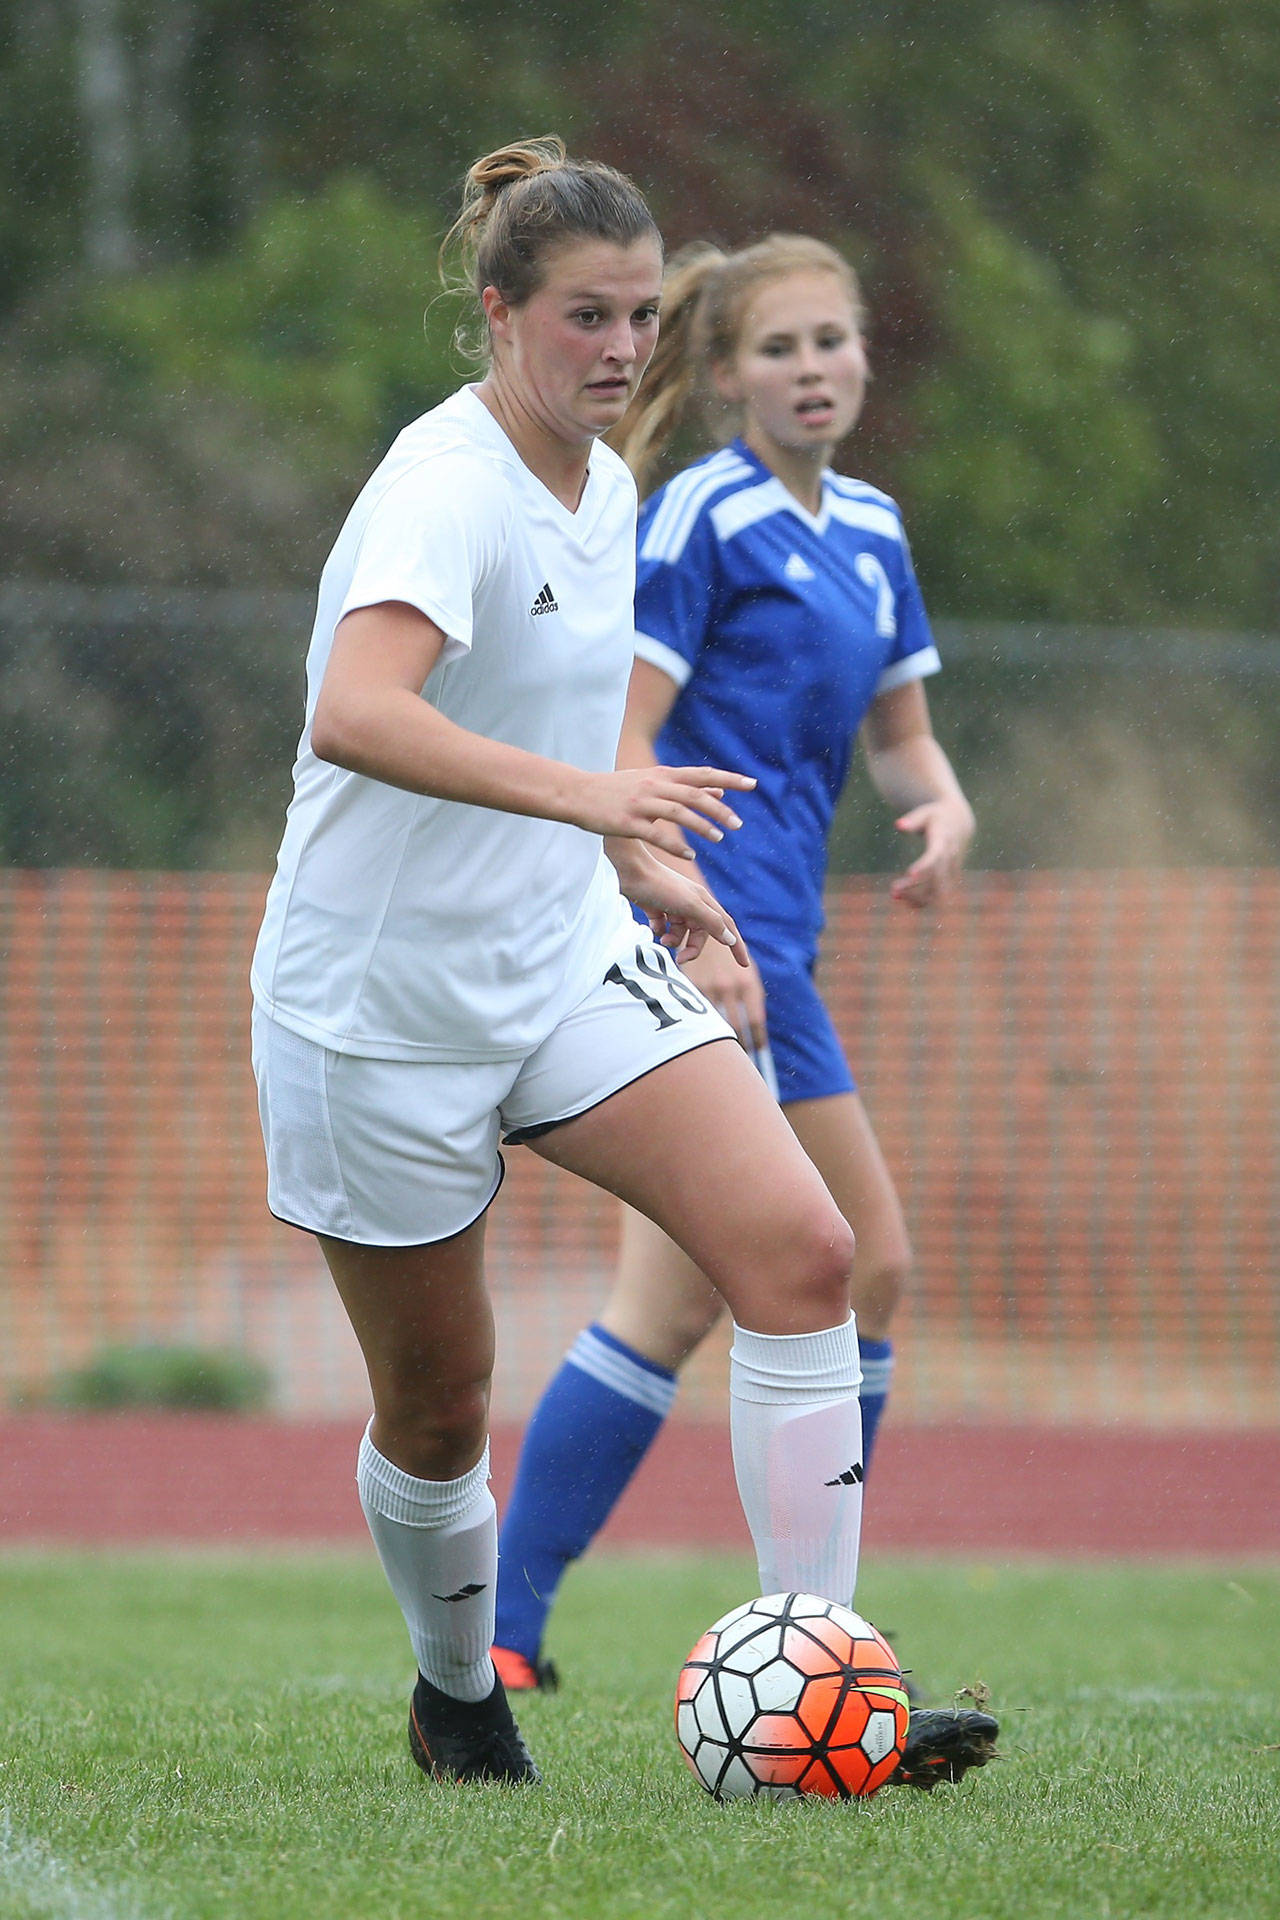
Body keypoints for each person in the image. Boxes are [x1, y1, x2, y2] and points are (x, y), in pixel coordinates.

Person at [251, 139, 993, 1791]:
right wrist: (604, 796)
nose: (616, 349)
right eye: (585, 315)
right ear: (502, 312)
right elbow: (356, 715)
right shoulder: (443, 482)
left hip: (560, 959)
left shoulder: (615, 493)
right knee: (440, 1413)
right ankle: (460, 1695)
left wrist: (651, 868)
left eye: (642, 318)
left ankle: (825, 1696)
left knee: (805, 1254)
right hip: (378, 1010)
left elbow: (563, 751)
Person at [493, 234, 980, 1744]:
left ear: (865, 361)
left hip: (789, 948)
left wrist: (945, 806)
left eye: (835, 341)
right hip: (717, 941)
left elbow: (900, 732)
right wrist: (687, 914)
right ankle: (821, 1638)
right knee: (849, 1261)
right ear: (720, 380)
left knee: (704, 1289)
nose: (814, 367)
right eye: (779, 349)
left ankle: (519, 1631)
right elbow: (619, 745)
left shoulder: (876, 528)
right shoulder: (701, 517)